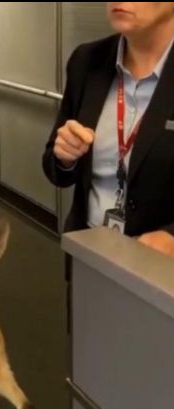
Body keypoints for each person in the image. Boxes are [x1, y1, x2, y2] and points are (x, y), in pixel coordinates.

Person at [42, 2, 174, 257]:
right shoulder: (87, 61)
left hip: (158, 267)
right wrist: (65, 158)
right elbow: (55, 169)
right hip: (87, 252)